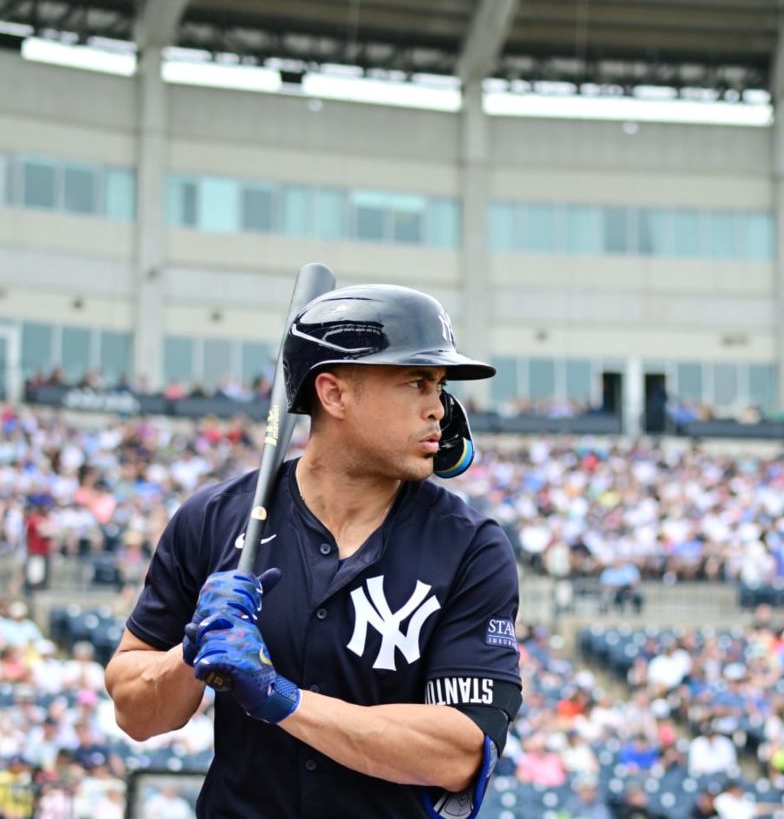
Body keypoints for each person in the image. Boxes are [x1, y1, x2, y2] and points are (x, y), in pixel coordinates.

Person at [105, 284, 523, 818]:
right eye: (416, 382)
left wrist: (282, 699)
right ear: (334, 394)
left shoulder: (470, 546)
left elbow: (460, 752)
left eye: (439, 386)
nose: (437, 409)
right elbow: (135, 715)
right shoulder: (213, 519)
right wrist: (190, 656)